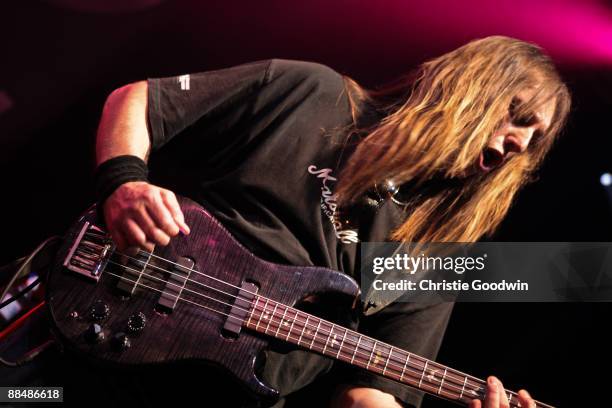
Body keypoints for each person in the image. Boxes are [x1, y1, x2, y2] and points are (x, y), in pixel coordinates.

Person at [93, 36, 571, 408]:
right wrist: (124, 183)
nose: (522, 144)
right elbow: (136, 100)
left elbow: (367, 393)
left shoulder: (435, 247)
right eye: (519, 116)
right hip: (111, 310)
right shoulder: (313, 93)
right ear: (475, 85)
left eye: (536, 137)